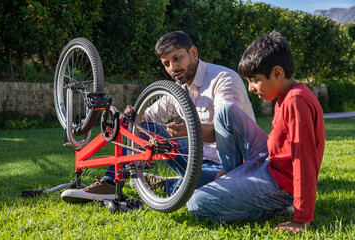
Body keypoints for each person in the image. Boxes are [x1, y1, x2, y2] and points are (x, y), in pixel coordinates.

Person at [61, 31, 255, 202]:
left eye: (177, 58)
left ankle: (168, 184)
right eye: (166, 63)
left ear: (193, 53)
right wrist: (131, 116)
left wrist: (189, 129)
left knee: (186, 192)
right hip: (196, 156)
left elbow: (227, 130)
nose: (173, 68)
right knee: (137, 126)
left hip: (229, 164)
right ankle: (110, 182)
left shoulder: (223, 79)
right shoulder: (179, 88)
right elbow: (146, 117)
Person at [186, 31, 325, 234]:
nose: (250, 88)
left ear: (277, 73)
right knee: (226, 112)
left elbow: (304, 161)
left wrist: (301, 219)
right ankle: (235, 175)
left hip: (281, 183)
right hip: (268, 160)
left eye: (254, 80)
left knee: (196, 203)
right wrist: (242, 171)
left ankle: (278, 207)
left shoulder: (297, 101)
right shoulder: (286, 95)